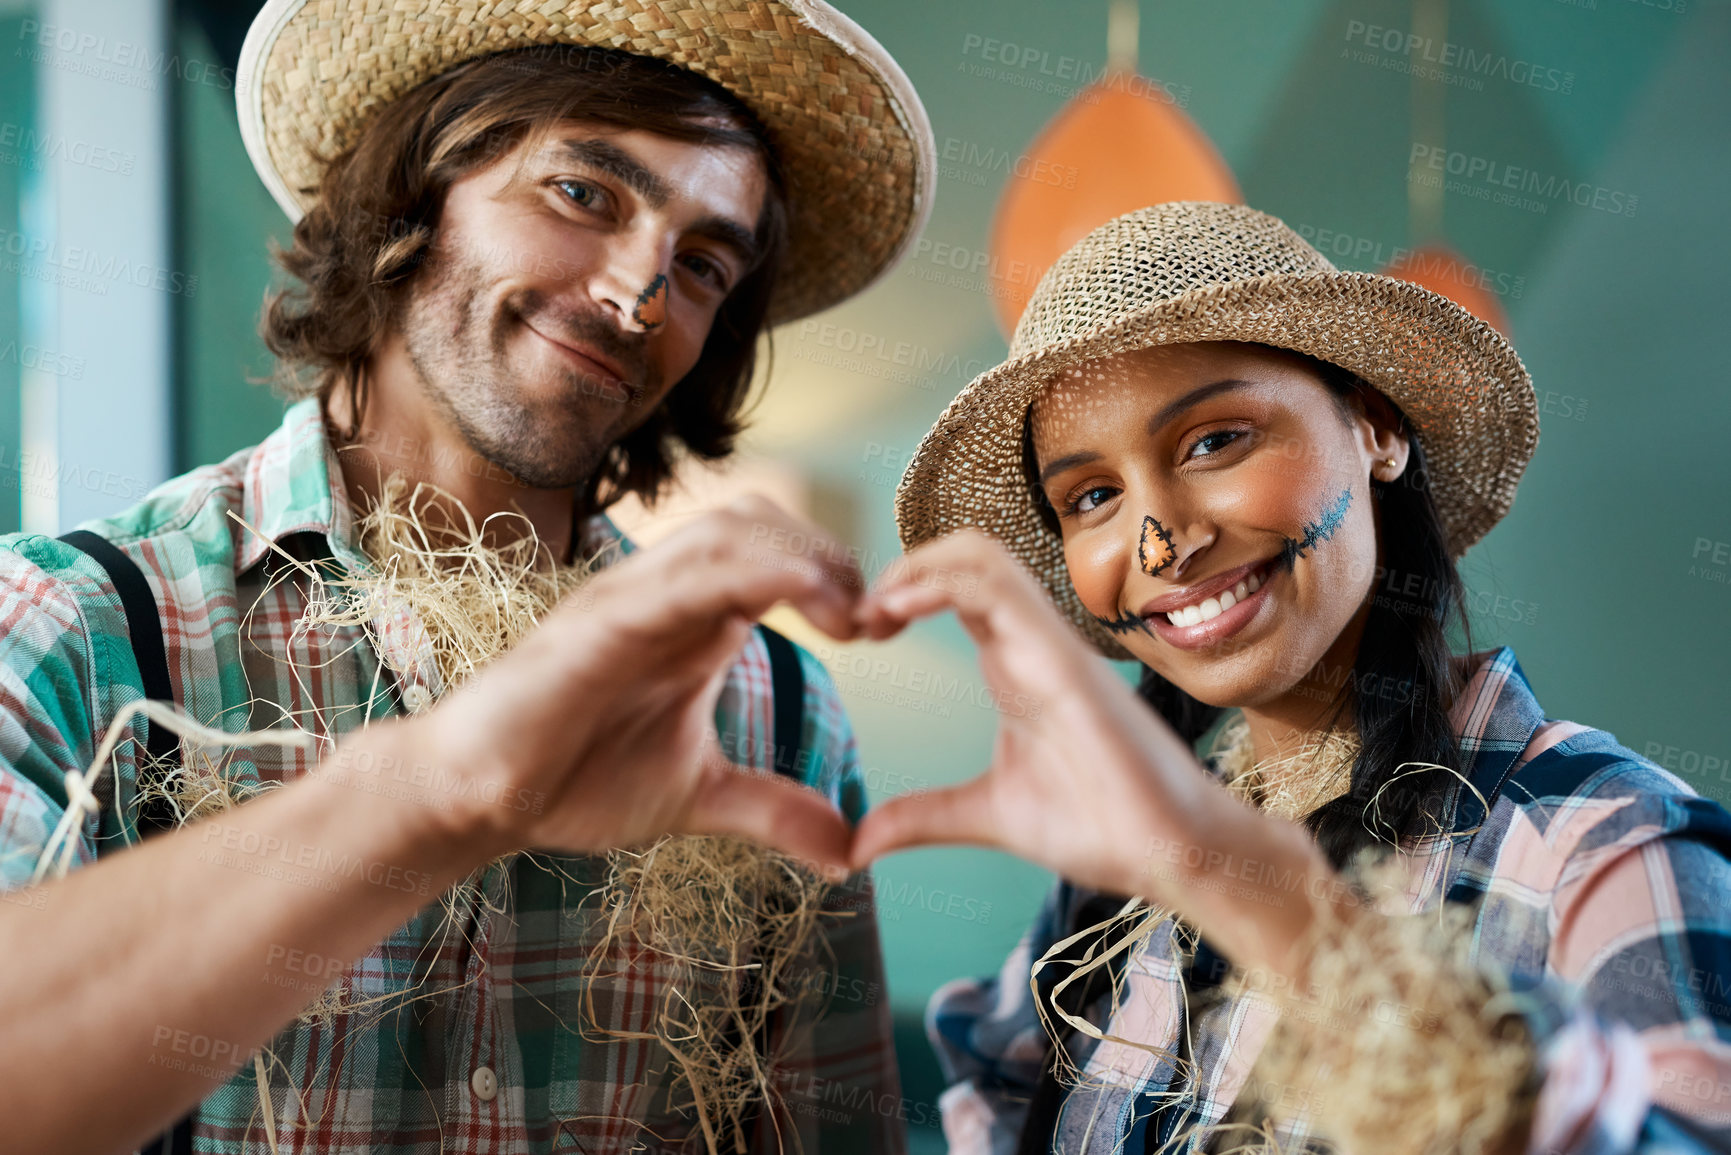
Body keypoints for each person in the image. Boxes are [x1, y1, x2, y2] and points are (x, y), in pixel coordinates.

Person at [0, 2, 935, 1153]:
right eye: (584, 194)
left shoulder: (778, 715)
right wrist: (437, 789)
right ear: (409, 194)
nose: (641, 291)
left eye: (701, 264)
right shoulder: (66, 629)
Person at [847, 202, 1731, 1153]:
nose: (1160, 542)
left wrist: (1278, 914)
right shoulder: (1123, 862)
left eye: (1213, 441)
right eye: (1092, 496)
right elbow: (999, 1087)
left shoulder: (1603, 842)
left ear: (1376, 428)